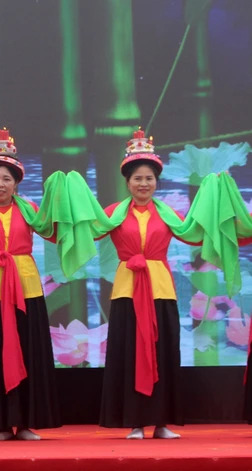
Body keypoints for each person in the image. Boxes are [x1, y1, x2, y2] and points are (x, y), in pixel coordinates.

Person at [0, 128, 61, 441]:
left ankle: (27, 422)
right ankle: (2, 423)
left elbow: (53, 232)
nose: (0, 184)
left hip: (27, 290)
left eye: (7, 179)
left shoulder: (30, 210)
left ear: (16, 183)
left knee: (29, 352)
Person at [98, 129, 188, 439]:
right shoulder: (113, 213)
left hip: (161, 291)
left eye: (149, 178)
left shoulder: (169, 215)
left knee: (162, 353)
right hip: (126, 292)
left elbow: (194, 232)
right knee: (130, 354)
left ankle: (161, 422)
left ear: (156, 182)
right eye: (137, 178)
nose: (143, 184)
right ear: (127, 182)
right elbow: (88, 229)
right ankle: (135, 422)